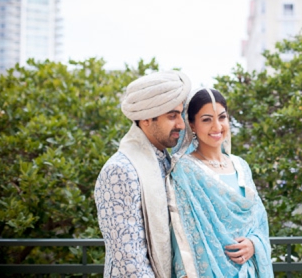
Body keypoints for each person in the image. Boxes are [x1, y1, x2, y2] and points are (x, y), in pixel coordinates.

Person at [94, 70, 191, 278]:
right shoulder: (120, 171)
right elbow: (129, 263)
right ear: (146, 118)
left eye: (181, 115)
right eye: (172, 116)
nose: (181, 124)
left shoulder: (167, 162)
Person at [168, 88, 273, 277]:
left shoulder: (241, 165)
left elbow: (259, 222)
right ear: (192, 125)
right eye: (207, 119)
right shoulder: (185, 170)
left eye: (222, 117)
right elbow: (182, 231)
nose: (217, 126)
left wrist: (254, 244)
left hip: (248, 271)